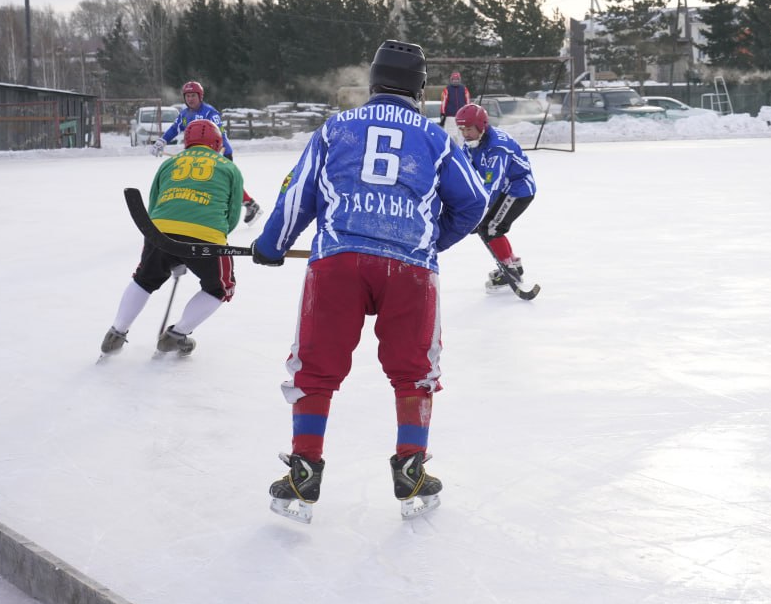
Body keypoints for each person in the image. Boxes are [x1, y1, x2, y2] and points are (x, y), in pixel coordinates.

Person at [252, 40, 489, 523]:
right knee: (414, 371)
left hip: (338, 261)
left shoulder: (335, 127)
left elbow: (298, 195)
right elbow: (475, 203)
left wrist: (272, 244)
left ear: (374, 81)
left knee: (316, 369)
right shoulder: (435, 138)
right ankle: (411, 473)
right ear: (419, 88)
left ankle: (303, 474)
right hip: (410, 271)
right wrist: (427, 241)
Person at [101, 119, 244, 357]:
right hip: (207, 236)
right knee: (221, 288)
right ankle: (177, 335)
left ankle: (116, 332)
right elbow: (233, 215)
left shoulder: (169, 164)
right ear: (217, 143)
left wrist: (173, 250)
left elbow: (154, 204)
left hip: (159, 233)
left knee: (144, 279)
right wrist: (203, 242)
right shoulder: (229, 167)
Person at [152, 80, 263, 224]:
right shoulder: (184, 114)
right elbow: (175, 129)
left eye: (193, 95)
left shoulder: (210, 112)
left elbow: (221, 134)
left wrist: (218, 154)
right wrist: (162, 141)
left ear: (200, 96)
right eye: (187, 96)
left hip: (220, 152)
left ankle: (250, 204)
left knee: (223, 183)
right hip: (199, 153)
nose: (190, 99)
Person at [454, 103, 537, 291]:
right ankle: (512, 264)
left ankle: (508, 270)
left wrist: (477, 212)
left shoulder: (497, 147)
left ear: (481, 126)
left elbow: (493, 184)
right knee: (488, 226)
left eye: (469, 129)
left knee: (491, 227)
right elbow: (467, 173)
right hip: (504, 190)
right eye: (462, 130)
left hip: (518, 189)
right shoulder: (472, 144)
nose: (466, 134)